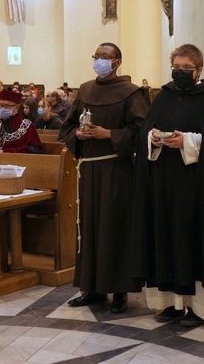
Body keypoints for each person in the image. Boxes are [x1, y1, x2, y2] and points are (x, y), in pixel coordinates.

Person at [131, 44, 204, 327]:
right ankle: (169, 303)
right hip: (163, 187)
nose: (180, 73)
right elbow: (145, 130)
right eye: (176, 67)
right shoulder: (163, 97)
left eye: (185, 68)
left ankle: (195, 308)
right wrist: (153, 139)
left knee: (192, 242)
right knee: (164, 239)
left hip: (196, 189)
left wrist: (189, 141)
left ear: (199, 70)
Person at [59, 42, 148, 313]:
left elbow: (142, 131)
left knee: (115, 227)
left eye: (105, 57)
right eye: (97, 56)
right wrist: (80, 135)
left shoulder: (132, 93)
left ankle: (120, 291)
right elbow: (68, 127)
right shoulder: (85, 90)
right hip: (89, 170)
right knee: (89, 228)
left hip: (117, 170)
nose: (100, 60)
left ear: (118, 62)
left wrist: (109, 134)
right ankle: (92, 288)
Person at [0, 89, 42, 153]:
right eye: (1, 105)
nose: (2, 109)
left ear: (17, 107)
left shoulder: (27, 125)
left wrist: (9, 152)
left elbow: (34, 149)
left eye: (7, 106)